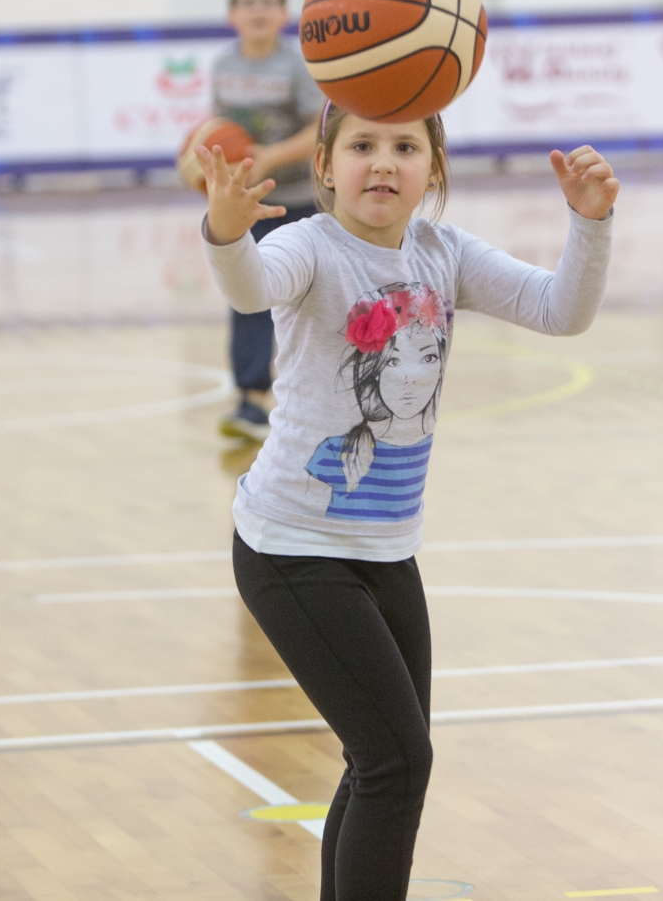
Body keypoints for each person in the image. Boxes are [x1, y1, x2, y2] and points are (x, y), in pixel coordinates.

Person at [199, 103, 618, 898]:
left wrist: (589, 223)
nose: (383, 162)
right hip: (291, 547)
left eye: (404, 146)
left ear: (434, 170)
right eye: (361, 145)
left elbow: (563, 310)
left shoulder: (442, 252)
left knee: (382, 761)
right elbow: (253, 289)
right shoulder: (309, 248)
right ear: (324, 165)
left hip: (387, 551)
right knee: (398, 760)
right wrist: (226, 233)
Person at [210, 0, 324, 441]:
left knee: (312, 300)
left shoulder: (296, 64)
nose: (257, 10)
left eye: (267, 2)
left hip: (299, 197)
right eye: (248, 2)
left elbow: (321, 126)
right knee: (248, 296)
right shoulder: (224, 65)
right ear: (232, 14)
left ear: (283, 13)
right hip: (248, 201)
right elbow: (222, 131)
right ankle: (252, 400)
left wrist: (270, 156)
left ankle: (319, 398)